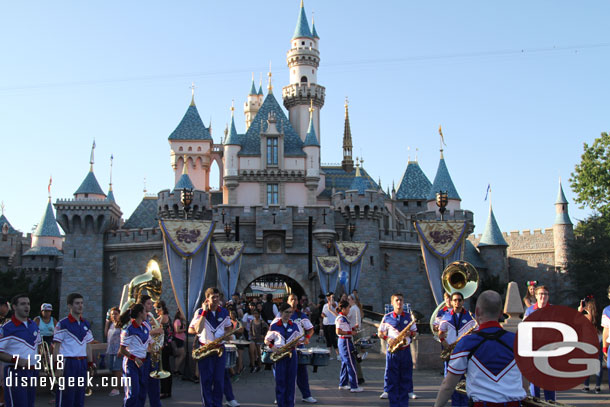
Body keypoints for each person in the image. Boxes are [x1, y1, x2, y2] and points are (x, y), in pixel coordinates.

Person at [434, 290, 527, 406]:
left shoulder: (466, 343)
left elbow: (448, 386)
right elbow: (524, 383)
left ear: (477, 312)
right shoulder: (518, 341)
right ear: (500, 313)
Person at [270, 293, 317, 403]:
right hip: (284, 348)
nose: (294, 301)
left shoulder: (301, 315)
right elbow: (272, 329)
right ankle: (280, 397)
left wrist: (307, 338)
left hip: (298, 346)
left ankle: (306, 395)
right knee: (281, 374)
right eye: (292, 299)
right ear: (287, 301)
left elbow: (310, 329)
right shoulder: (280, 315)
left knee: (302, 372)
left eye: (296, 299)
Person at [189, 287, 232, 407]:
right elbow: (197, 329)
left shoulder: (223, 312)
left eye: (217, 297)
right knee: (206, 380)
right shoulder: (199, 312)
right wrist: (204, 312)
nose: (216, 300)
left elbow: (228, 327)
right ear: (207, 299)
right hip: (206, 349)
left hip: (219, 349)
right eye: (213, 297)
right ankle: (208, 404)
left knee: (219, 380)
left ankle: (217, 404)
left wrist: (227, 335)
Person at [53, 292, 95, 407]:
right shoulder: (63, 324)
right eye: (77, 303)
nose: (80, 306)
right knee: (66, 397)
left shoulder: (85, 323)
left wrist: (90, 364)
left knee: (79, 396)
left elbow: (88, 345)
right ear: (70, 305)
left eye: (81, 303)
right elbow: (56, 348)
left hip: (81, 363)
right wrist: (57, 367)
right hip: (68, 363)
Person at [0, 294, 41, 407]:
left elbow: (39, 347)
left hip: (32, 371)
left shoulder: (34, 325)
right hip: (16, 372)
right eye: (23, 304)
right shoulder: (7, 328)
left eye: (28, 304)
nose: (26, 306)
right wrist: (16, 360)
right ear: (14, 307)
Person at [438, 292, 477, 407]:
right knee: (452, 382)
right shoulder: (446, 316)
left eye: (459, 300)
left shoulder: (470, 317)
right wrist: (446, 346)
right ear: (452, 301)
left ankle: (464, 403)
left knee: (465, 382)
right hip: (452, 353)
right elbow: (440, 334)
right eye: (455, 300)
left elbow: (476, 334)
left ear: (463, 301)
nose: (457, 302)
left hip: (466, 353)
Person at [378, 293, 417, 407]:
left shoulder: (409, 317)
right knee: (392, 379)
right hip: (393, 351)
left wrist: (410, 333)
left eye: (401, 300)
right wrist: (387, 338)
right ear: (392, 303)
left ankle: (404, 404)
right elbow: (380, 332)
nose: (399, 302)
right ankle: (394, 404)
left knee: (405, 378)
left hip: (405, 350)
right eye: (396, 300)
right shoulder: (387, 317)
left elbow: (415, 332)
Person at [265, 303, 304, 407]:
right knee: (280, 382)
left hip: (292, 354)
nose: (288, 315)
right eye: (286, 312)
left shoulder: (295, 325)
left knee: (291, 382)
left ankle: (290, 404)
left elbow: (300, 340)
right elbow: (267, 340)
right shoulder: (274, 325)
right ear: (281, 312)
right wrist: (273, 348)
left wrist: (297, 343)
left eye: (290, 312)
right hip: (280, 355)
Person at [523, 285, 555, 402]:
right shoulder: (530, 310)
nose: (543, 296)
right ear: (535, 296)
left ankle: (550, 403)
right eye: (541, 294)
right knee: (534, 383)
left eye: (545, 294)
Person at [118, 303, 151, 407]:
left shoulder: (146, 326)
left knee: (142, 393)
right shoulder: (128, 329)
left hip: (143, 363)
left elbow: (148, 343)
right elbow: (122, 350)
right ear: (140, 313)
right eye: (145, 311)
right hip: (131, 364)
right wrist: (134, 358)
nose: (147, 313)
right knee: (133, 393)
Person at [137, 294, 163, 407]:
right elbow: (138, 333)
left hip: (151, 354)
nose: (151, 306)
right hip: (142, 356)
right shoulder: (137, 319)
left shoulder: (148, 317)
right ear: (141, 306)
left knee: (154, 386)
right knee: (142, 387)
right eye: (148, 304)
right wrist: (155, 331)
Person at [335, 299, 363, 393]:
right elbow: (338, 331)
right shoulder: (341, 319)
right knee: (351, 363)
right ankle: (354, 385)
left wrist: (353, 328)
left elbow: (344, 328)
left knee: (345, 363)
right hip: (345, 341)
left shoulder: (343, 318)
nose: (349, 310)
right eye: (348, 308)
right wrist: (351, 332)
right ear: (343, 309)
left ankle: (343, 383)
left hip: (344, 341)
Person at [579, 295, 603, 393]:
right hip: (599, 342)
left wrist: (580, 310)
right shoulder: (599, 317)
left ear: (588, 306)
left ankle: (586, 386)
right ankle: (597, 387)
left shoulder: (584, 317)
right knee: (598, 365)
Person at [154, 300, 173, 399]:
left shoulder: (162, 317)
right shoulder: (168, 316)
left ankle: (164, 391)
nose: (156, 311)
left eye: (157, 308)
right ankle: (167, 391)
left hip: (163, 346)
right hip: (168, 345)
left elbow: (153, 323)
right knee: (167, 367)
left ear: (161, 308)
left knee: (163, 368)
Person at [347, 294, 366, 385]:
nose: (348, 301)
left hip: (354, 334)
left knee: (354, 356)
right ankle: (357, 376)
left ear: (352, 300)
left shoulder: (353, 309)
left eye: (348, 299)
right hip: (357, 333)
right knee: (355, 355)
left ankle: (358, 377)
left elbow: (346, 317)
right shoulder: (356, 308)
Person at [104, 307, 123, 397]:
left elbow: (124, 338)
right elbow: (105, 334)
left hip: (118, 350)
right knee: (112, 368)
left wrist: (121, 349)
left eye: (116, 314)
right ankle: (119, 385)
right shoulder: (112, 325)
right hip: (111, 350)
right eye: (112, 314)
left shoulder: (121, 325)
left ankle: (117, 388)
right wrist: (107, 322)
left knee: (117, 369)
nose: (114, 316)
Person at [321, 292, 339, 359]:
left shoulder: (335, 303)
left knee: (333, 338)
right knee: (328, 339)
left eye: (329, 296)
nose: (327, 297)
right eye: (327, 296)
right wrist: (323, 315)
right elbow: (322, 313)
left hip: (332, 323)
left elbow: (334, 305)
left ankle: (338, 354)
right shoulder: (325, 305)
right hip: (326, 323)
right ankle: (329, 354)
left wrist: (332, 298)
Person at [172, 310, 186, 376]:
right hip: (178, 339)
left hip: (181, 339)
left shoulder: (180, 321)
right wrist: (185, 329)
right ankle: (176, 369)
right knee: (182, 355)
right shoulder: (177, 321)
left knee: (180, 355)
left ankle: (177, 369)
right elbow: (177, 330)